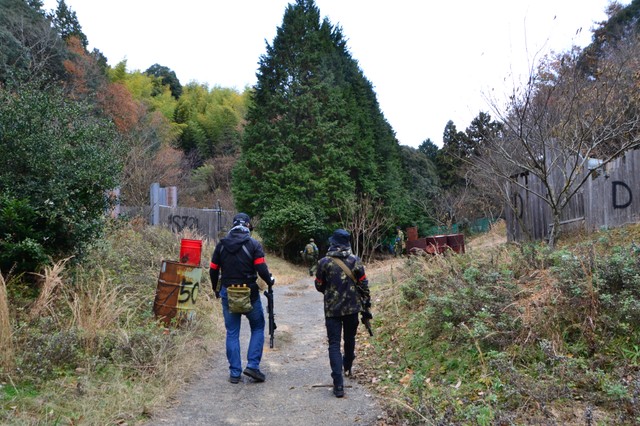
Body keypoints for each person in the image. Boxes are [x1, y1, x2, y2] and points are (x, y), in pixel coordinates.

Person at [209, 213, 275, 384]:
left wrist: (215, 289)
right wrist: (270, 281)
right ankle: (252, 366)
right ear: (247, 226)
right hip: (250, 293)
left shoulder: (221, 245)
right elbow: (260, 267)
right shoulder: (253, 244)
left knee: (232, 332)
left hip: (227, 292)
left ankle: (235, 373)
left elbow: (213, 269)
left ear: (233, 226)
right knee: (258, 326)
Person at [314, 229, 371, 398]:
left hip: (332, 310)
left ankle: (338, 384)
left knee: (333, 344)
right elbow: (364, 284)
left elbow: (318, 285)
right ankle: (347, 366)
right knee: (350, 339)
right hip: (352, 309)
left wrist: (329, 291)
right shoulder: (355, 261)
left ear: (333, 243)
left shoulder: (324, 262)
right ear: (347, 243)